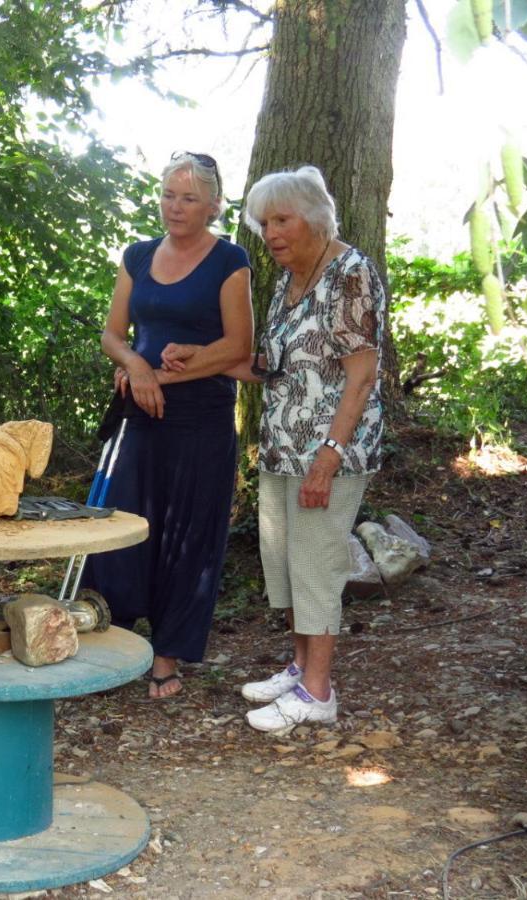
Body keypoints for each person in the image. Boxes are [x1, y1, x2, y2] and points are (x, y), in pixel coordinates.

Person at [164, 165, 385, 731]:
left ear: (314, 217)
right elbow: (269, 367)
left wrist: (330, 454)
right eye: (265, 224)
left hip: (329, 453)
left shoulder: (350, 272)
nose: (273, 234)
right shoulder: (290, 281)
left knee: (316, 565)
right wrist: (198, 355)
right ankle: (299, 668)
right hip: (283, 447)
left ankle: (317, 693)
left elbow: (361, 374)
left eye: (282, 220)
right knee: (287, 564)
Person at [84, 151, 253, 699]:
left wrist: (163, 375)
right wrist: (136, 366)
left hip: (201, 420)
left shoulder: (231, 261)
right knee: (123, 530)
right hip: (141, 413)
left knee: (188, 537)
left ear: (212, 206)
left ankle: (166, 658)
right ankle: (113, 647)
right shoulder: (136, 256)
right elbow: (113, 334)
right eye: (168, 195)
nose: (174, 208)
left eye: (188, 198)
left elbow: (238, 347)